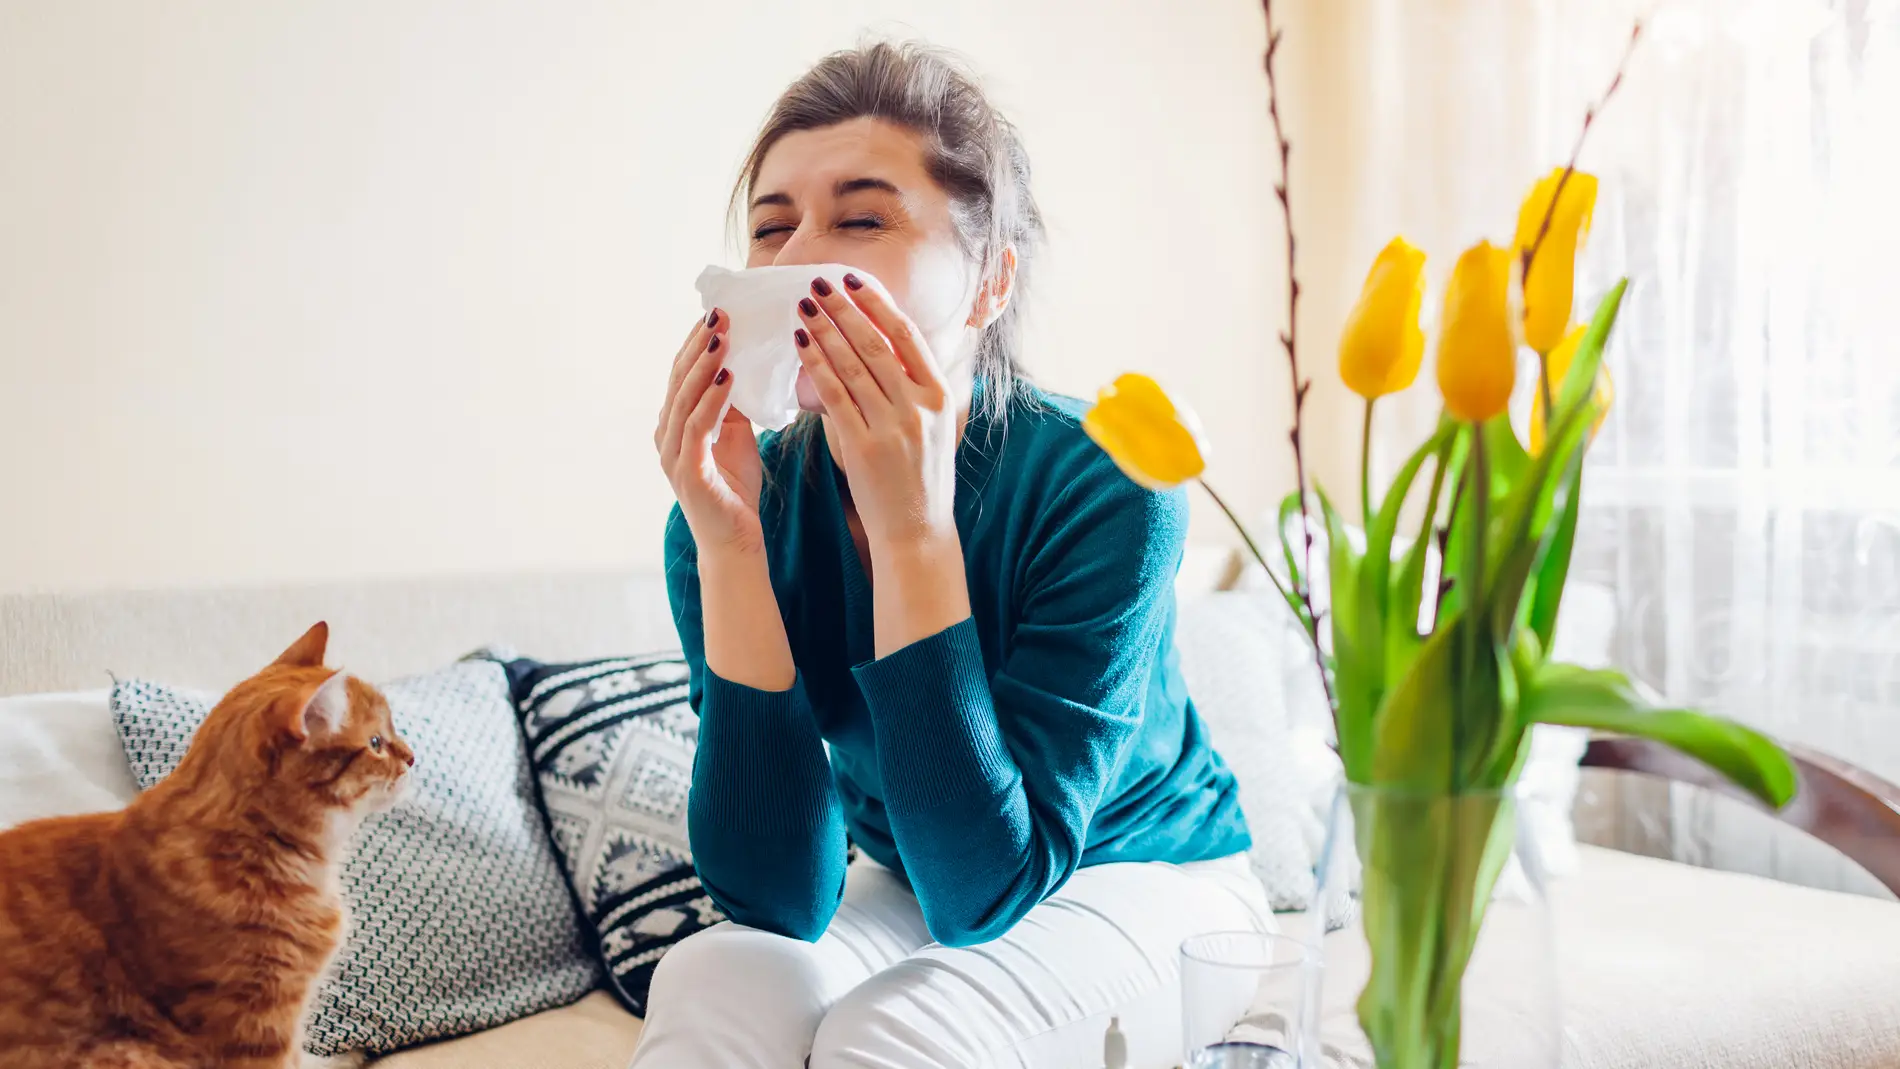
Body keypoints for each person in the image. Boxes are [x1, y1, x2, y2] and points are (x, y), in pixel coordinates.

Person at [640, 40, 1268, 1069]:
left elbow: (986, 887)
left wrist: (911, 532)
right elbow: (781, 898)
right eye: (771, 226)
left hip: (1153, 880)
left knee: (890, 1032)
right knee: (712, 978)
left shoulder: (1108, 477)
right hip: (921, 874)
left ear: (987, 280)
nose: (799, 256)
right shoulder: (731, 509)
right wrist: (730, 548)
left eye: (860, 217)